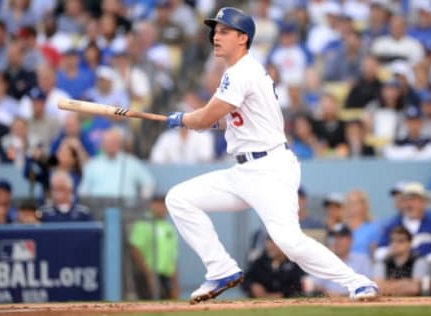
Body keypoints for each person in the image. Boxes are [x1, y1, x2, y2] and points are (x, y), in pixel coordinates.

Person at [164, 7, 379, 304]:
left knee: (289, 241)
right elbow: (233, 118)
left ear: (243, 38)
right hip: (242, 171)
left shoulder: (242, 71)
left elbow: (201, 120)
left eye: (224, 31)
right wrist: (197, 119)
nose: (216, 35)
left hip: (268, 169)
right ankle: (221, 268)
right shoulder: (240, 71)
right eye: (216, 30)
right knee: (179, 198)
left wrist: (184, 119)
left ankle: (358, 282)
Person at [79, 128, 155, 201]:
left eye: (113, 142)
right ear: (101, 145)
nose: (109, 145)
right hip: (97, 208)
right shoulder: (92, 164)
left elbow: (148, 182)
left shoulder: (132, 162)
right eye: (106, 142)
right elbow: (83, 191)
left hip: (126, 209)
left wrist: (142, 203)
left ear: (119, 143)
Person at [375, 182, 431, 263]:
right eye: (405, 200)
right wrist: (391, 251)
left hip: (427, 271)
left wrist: (423, 260)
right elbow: (378, 253)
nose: (409, 204)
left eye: (413, 200)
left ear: (423, 203)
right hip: (398, 271)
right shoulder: (392, 225)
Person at [129, 195, 179, 300]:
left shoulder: (168, 227)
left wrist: (174, 282)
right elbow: (135, 249)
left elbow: (172, 256)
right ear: (151, 206)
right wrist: (148, 273)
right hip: (146, 273)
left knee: (167, 303)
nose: (161, 209)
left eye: (163, 206)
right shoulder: (143, 224)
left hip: (165, 275)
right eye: (158, 205)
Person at [305, 223, 372, 297]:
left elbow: (369, 286)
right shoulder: (324, 260)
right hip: (328, 301)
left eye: (341, 237)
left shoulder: (362, 260)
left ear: (350, 240)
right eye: (334, 237)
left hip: (355, 300)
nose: (337, 241)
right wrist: (327, 293)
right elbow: (314, 284)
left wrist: (342, 295)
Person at [373, 226, 431, 296]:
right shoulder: (383, 262)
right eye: (392, 240)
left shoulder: (418, 260)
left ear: (409, 243)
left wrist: (389, 284)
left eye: (400, 241)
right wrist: (405, 283)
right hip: (389, 304)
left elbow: (415, 288)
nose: (395, 244)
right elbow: (378, 287)